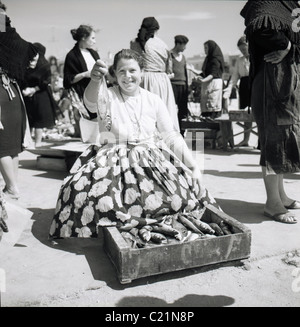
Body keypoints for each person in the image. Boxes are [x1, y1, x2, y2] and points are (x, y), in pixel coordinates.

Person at [49, 49, 219, 239]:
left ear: (142, 72)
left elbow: (170, 135)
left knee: (180, 193)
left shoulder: (153, 100)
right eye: (121, 71)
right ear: (114, 73)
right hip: (113, 156)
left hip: (151, 156)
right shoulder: (107, 95)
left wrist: (192, 165)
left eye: (132, 71)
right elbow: (89, 104)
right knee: (82, 193)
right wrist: (95, 79)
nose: (127, 76)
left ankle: (149, 225)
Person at [241, 0, 300, 223]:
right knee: (274, 138)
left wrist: (290, 49)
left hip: (288, 79)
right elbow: (260, 29)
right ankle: (272, 203)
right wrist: (285, 46)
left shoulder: (292, 6)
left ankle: (281, 196)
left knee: (284, 135)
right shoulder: (267, 2)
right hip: (271, 80)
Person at [0, 2, 38, 200]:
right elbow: (32, 53)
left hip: (1, 93)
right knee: (11, 144)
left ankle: (12, 188)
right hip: (13, 91)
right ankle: (12, 187)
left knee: (2, 144)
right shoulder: (11, 34)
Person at [130, 17, 180, 131]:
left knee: (145, 112)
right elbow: (169, 68)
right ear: (157, 30)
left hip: (143, 79)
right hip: (162, 80)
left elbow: (132, 63)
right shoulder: (163, 44)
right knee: (164, 112)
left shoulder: (134, 43)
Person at [63, 24, 100, 137]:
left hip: (95, 90)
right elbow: (68, 80)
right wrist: (85, 74)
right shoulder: (72, 55)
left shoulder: (93, 53)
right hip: (81, 93)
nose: (95, 41)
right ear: (84, 37)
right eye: (92, 38)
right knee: (85, 120)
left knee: (97, 118)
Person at [22, 42, 57, 147]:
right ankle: (28, 141)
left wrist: (33, 89)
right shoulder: (29, 63)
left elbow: (45, 83)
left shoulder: (43, 65)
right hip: (29, 94)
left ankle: (37, 142)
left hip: (40, 95)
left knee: (38, 121)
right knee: (29, 119)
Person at [223, 35, 252, 146]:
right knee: (246, 114)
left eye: (244, 49)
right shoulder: (239, 60)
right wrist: (229, 89)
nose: (243, 51)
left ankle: (261, 142)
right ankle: (246, 140)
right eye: (241, 50)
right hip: (244, 86)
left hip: (256, 84)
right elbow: (235, 76)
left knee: (258, 114)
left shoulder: (257, 57)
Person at [189, 40, 225, 119]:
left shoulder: (215, 59)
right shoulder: (208, 59)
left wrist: (202, 81)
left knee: (212, 109)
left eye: (206, 48)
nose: (205, 50)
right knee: (206, 111)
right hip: (207, 86)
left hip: (214, 85)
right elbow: (204, 74)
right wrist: (192, 70)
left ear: (211, 48)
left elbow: (212, 74)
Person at [170, 35, 189, 136]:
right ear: (178, 44)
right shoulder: (170, 55)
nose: (185, 48)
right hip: (173, 85)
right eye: (184, 45)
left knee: (183, 110)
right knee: (171, 109)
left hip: (183, 85)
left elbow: (185, 73)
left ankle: (182, 132)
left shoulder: (184, 57)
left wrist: (187, 87)